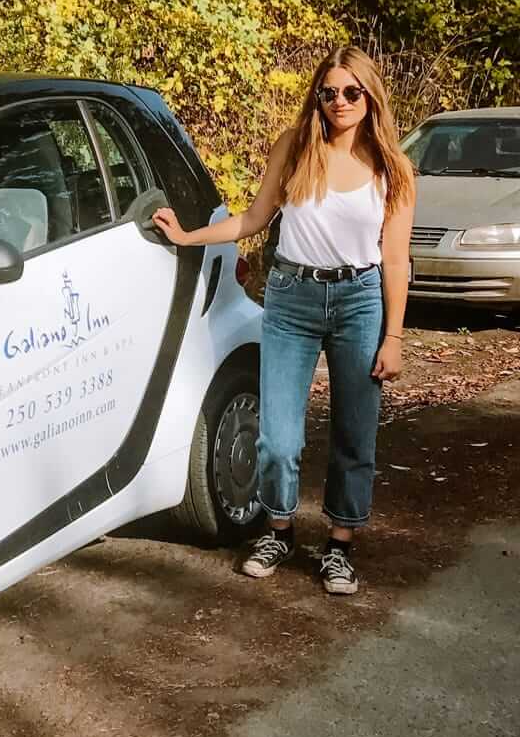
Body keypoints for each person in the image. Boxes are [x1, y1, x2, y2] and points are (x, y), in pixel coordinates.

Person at [152, 47, 415, 595]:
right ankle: (280, 529)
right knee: (277, 438)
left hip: (360, 301)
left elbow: (394, 260)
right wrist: (186, 236)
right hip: (292, 298)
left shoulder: (393, 167)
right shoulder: (296, 149)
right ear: (317, 97)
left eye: (350, 92)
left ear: (369, 97)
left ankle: (340, 545)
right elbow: (252, 218)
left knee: (353, 433)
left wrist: (393, 335)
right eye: (329, 92)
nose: (339, 102)